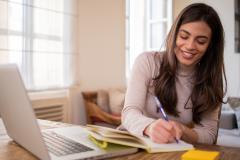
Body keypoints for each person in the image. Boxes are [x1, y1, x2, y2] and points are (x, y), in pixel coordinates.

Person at [121, 3, 227, 145]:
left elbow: (209, 134)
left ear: (210, 46)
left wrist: (182, 130)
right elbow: (129, 113)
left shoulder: (211, 78)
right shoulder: (147, 62)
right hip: (135, 144)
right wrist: (149, 127)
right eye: (184, 36)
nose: (190, 46)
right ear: (174, 34)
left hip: (173, 150)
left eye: (201, 41)